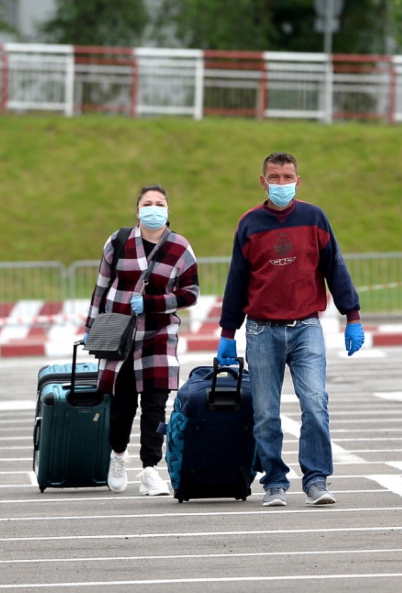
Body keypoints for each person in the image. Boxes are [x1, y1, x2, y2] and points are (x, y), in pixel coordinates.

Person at [215, 152, 364, 508]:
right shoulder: (249, 223)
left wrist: (352, 316)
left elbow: (335, 268)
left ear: (298, 180)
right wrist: (227, 332)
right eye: (275, 177)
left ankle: (315, 479)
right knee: (266, 412)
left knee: (315, 403)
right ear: (262, 181)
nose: (282, 183)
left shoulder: (314, 218)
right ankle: (275, 483)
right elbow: (237, 280)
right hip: (261, 331)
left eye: (288, 177)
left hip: (306, 328)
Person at [86, 185, 200, 496]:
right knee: (122, 405)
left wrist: (153, 303)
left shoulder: (180, 248)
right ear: (137, 211)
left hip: (160, 334)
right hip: (119, 335)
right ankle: (118, 456)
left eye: (159, 203)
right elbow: (101, 286)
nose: (153, 208)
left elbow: (191, 293)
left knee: (155, 404)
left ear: (168, 210)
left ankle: (150, 469)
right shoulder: (119, 241)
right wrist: (90, 326)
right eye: (147, 203)